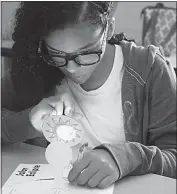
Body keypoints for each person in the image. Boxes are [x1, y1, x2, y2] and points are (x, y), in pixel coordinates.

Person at [1, 1, 176, 189]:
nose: (72, 68)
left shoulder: (150, 70)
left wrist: (126, 158)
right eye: (57, 54)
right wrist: (28, 122)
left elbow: (173, 157)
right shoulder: (35, 67)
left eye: (86, 53)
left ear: (109, 29)